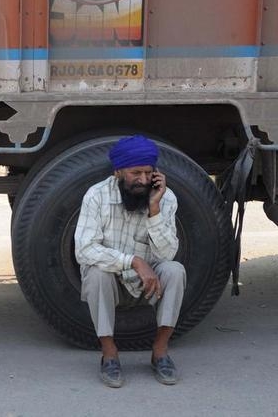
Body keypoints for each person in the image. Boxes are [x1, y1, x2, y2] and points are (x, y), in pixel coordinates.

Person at [74, 135, 186, 388]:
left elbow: (167, 254)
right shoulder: (96, 196)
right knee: (95, 273)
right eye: (136, 173)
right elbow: (85, 250)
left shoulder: (166, 199)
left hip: (149, 283)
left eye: (148, 172)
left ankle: (160, 352)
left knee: (175, 270)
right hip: (113, 280)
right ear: (118, 172)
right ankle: (109, 354)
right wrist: (133, 261)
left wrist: (154, 209)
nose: (143, 180)